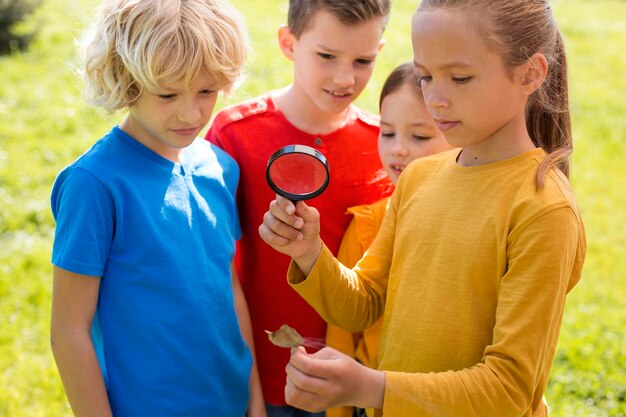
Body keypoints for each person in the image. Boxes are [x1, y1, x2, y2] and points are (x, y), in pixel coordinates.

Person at [258, 0, 587, 416]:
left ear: (530, 74)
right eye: (426, 76)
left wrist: (373, 388)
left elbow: (509, 390)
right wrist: (309, 252)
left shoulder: (543, 209)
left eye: (460, 78)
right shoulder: (418, 178)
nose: (435, 99)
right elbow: (363, 303)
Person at [49, 1, 264, 416]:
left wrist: (253, 399)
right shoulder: (94, 185)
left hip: (230, 401)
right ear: (126, 82)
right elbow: (69, 332)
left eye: (207, 91)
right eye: (167, 94)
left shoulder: (221, 167)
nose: (192, 112)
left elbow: (229, 288)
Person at [206, 1, 393, 415]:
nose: (345, 78)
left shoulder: (388, 146)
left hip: (356, 382)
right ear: (289, 43)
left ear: (380, 51)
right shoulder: (234, 135)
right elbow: (215, 271)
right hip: (260, 379)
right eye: (326, 56)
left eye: (362, 60)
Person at [325, 62, 453, 417]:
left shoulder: (477, 223)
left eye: (420, 136)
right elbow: (341, 333)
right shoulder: (368, 223)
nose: (398, 149)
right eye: (387, 132)